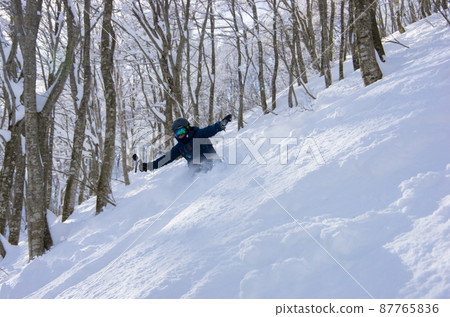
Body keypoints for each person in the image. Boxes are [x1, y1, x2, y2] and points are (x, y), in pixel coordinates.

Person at [138, 114, 232, 173]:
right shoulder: (180, 147)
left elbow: (210, 130)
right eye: (177, 133)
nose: (180, 135)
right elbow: (166, 158)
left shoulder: (198, 134)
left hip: (213, 167)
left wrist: (220, 125)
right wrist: (149, 166)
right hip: (196, 173)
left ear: (187, 129)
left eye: (181, 131)